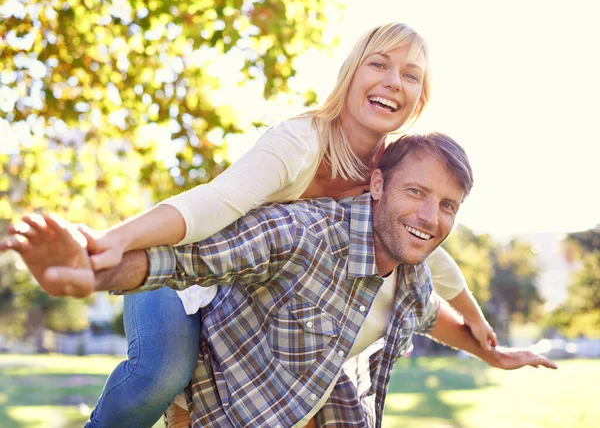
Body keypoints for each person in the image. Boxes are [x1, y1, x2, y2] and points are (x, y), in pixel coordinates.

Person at [5, 23, 496, 426]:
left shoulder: (391, 172)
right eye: (379, 64)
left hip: (241, 299)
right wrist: (110, 244)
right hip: (186, 268)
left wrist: (474, 318)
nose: (394, 80)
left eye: (410, 75)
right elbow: (215, 203)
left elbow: (429, 249)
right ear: (350, 75)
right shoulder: (301, 141)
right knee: (161, 373)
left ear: (419, 98)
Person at [1, 133, 556, 428]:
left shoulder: (413, 275)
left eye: (447, 206)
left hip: (269, 396)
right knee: (159, 371)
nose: (431, 217)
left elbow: (435, 314)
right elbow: (186, 259)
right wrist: (93, 267)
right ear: (378, 184)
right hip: (188, 313)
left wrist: (495, 354)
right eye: (416, 192)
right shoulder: (305, 228)